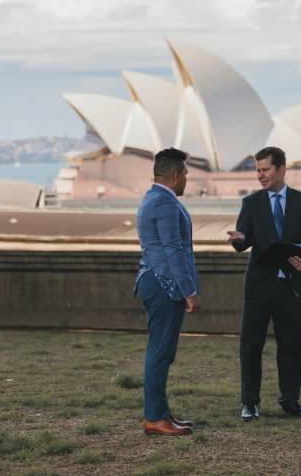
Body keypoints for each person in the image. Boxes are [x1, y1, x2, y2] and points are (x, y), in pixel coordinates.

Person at [226, 146, 301, 421]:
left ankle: (291, 401)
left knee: (292, 345)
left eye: (265, 170)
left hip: (290, 287)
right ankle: (249, 403)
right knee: (251, 345)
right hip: (259, 287)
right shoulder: (251, 203)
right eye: (257, 170)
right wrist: (239, 238)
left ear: (281, 170)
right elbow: (244, 242)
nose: (260, 175)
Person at [134, 148, 201, 436]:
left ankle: (161, 414)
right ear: (175, 176)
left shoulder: (154, 198)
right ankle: (155, 418)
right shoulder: (165, 204)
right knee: (161, 352)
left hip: (154, 280)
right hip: (163, 284)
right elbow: (173, 249)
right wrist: (189, 290)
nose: (187, 178)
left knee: (161, 351)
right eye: (185, 174)